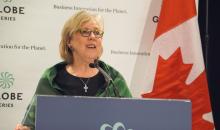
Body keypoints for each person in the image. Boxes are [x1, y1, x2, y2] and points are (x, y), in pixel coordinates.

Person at [15, 10, 132, 130]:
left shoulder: (113, 79)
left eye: (97, 33)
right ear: (69, 41)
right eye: (85, 32)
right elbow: (32, 124)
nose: (92, 37)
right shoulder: (52, 78)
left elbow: (131, 120)